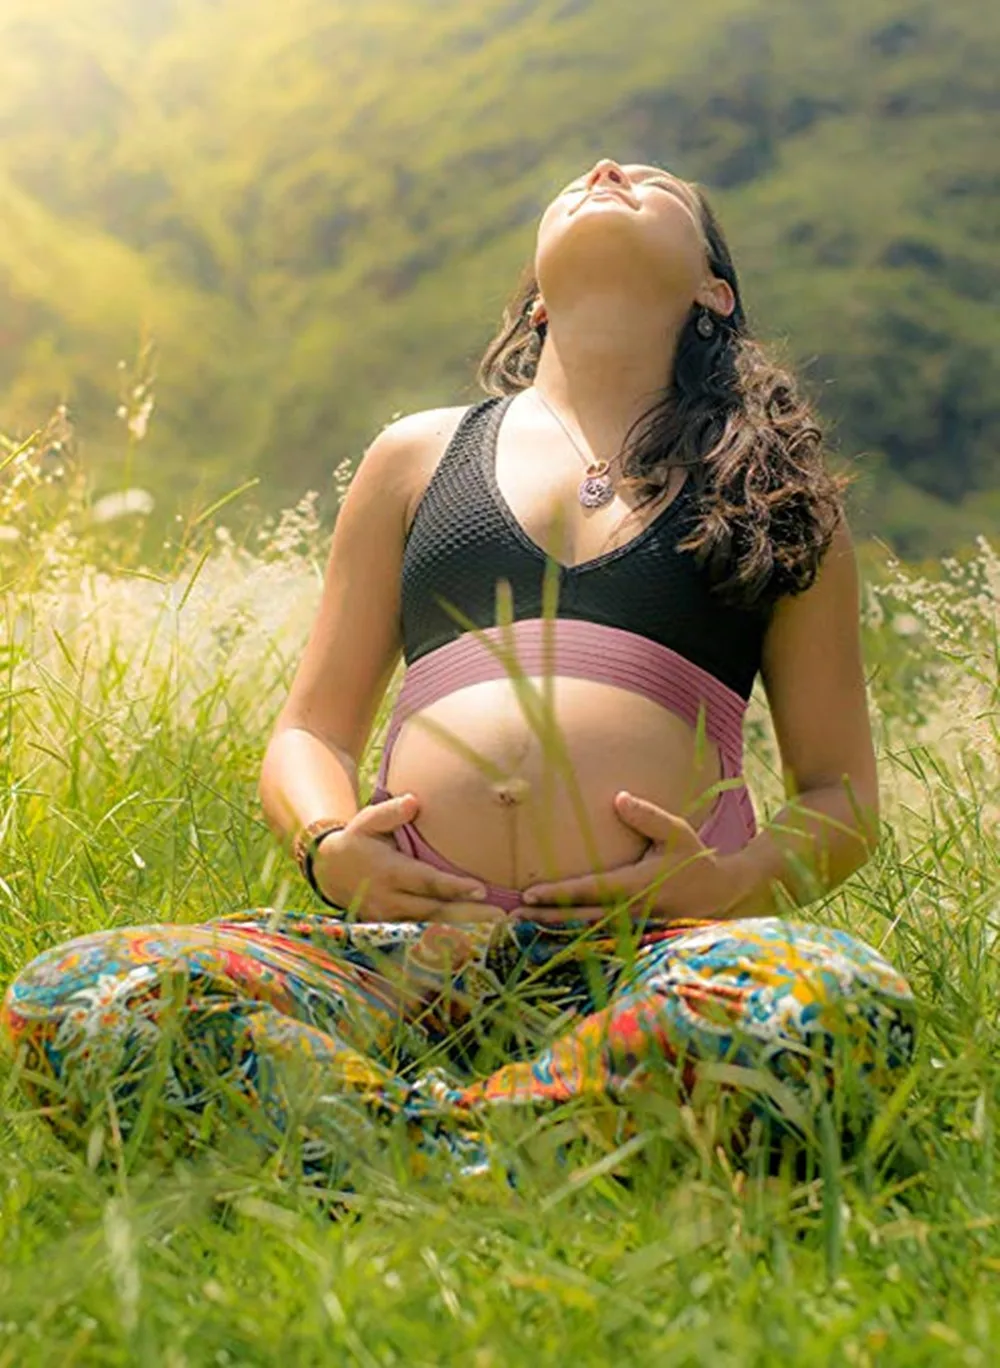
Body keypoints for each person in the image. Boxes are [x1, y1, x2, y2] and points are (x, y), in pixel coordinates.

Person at [2, 159, 915, 1182]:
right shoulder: (420, 456)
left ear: (715, 290)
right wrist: (328, 851)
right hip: (405, 958)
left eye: (654, 183)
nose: (608, 170)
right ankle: (536, 1145)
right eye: (584, 179)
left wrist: (735, 881)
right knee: (77, 993)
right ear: (532, 294)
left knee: (832, 994)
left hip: (648, 959)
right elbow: (311, 731)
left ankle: (382, 1146)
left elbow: (839, 793)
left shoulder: (773, 490)